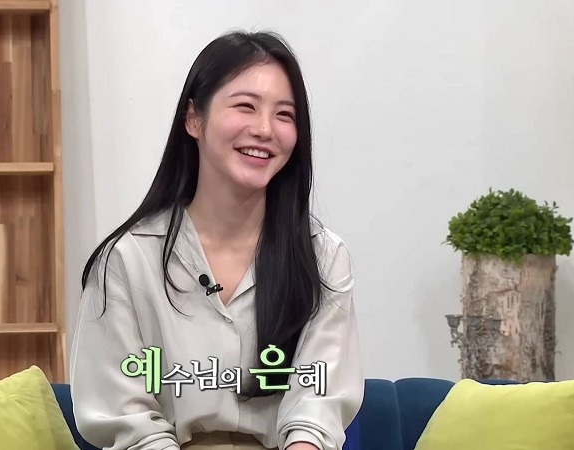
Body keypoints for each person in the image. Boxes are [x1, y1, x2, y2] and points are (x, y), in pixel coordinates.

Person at [70, 29, 364, 450]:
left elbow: (317, 407)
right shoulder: (126, 260)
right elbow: (125, 416)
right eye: (246, 106)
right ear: (194, 118)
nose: (265, 129)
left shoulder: (323, 257)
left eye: (284, 115)